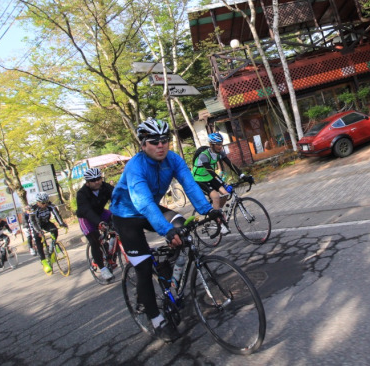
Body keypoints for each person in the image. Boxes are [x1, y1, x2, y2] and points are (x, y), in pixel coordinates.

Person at [110, 117, 224, 342]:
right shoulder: (135, 166)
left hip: (150, 208)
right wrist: (165, 231)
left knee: (181, 226)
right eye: (154, 141)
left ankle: (167, 267)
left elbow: (188, 183)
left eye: (165, 139)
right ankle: (155, 319)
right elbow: (142, 202)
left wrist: (207, 209)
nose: (160, 145)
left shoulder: (172, 159)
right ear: (143, 144)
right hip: (127, 215)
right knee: (142, 268)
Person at [191, 132, 254, 234]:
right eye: (218, 144)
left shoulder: (220, 153)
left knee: (225, 193)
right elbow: (211, 172)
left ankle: (218, 212)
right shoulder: (204, 155)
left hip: (209, 177)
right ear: (212, 144)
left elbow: (231, 165)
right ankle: (219, 223)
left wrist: (243, 176)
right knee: (215, 196)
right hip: (199, 179)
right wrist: (223, 183)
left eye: (221, 144)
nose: (221, 146)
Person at [76, 167, 115, 281]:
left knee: (118, 223)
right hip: (86, 217)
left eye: (98, 179)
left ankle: (111, 248)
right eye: (93, 180)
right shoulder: (82, 194)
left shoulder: (105, 187)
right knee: (95, 241)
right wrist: (99, 223)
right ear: (87, 183)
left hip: (101, 212)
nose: (97, 182)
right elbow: (87, 211)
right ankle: (103, 269)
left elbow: (117, 197)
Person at [26, 193, 68, 274]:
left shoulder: (50, 205)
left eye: (46, 202)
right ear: (38, 202)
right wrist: (39, 231)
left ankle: (52, 247)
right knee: (38, 240)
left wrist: (61, 223)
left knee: (54, 229)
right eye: (43, 203)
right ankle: (44, 262)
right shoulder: (33, 209)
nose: (45, 205)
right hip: (36, 225)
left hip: (45, 222)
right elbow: (33, 222)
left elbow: (57, 215)